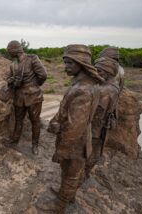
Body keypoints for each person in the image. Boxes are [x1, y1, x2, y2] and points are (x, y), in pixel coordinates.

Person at [36, 44, 103, 213]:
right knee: (68, 170)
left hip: (74, 142)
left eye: (70, 63)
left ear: (81, 64)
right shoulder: (82, 84)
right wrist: (55, 120)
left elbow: (76, 126)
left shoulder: (83, 90)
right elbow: (67, 109)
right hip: (77, 138)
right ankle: (66, 195)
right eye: (65, 63)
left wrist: (63, 149)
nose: (66, 67)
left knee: (71, 172)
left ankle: (59, 206)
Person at [3, 40, 47, 155]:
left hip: (33, 97)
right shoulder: (13, 64)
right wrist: (11, 81)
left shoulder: (32, 59)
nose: (9, 53)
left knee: (35, 121)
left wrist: (34, 85)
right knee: (18, 120)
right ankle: (14, 140)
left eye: (9, 51)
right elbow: (8, 78)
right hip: (19, 97)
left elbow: (43, 75)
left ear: (14, 50)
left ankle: (35, 145)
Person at [85, 57, 120, 178]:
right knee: (93, 152)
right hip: (101, 127)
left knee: (90, 152)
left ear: (109, 72)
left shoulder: (105, 90)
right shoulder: (113, 85)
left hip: (96, 128)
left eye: (99, 71)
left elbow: (96, 111)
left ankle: (83, 174)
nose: (96, 74)